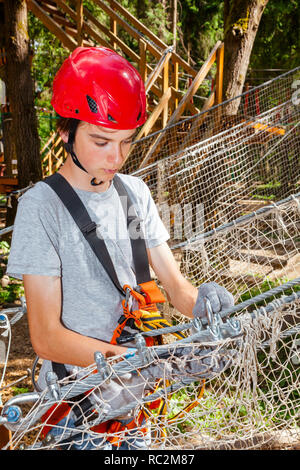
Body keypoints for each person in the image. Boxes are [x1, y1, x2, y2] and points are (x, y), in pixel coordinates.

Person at [6, 47, 234, 450]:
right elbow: (45, 337)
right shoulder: (42, 207)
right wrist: (150, 365)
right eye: (101, 140)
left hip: (135, 406)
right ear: (65, 131)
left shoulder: (135, 195)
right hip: (77, 411)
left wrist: (203, 305)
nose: (116, 158)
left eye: (127, 142)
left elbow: (176, 288)